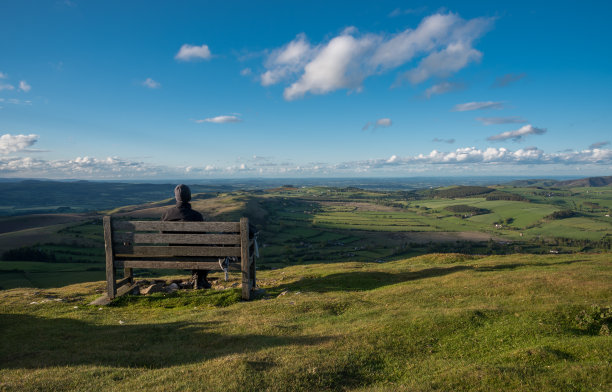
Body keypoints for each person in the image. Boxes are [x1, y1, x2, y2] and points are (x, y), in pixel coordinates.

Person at [161, 184, 210, 289]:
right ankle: (199, 280)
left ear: (176, 197)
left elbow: (162, 234)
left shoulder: (167, 214)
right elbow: (202, 236)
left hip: (174, 252)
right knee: (206, 249)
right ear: (189, 197)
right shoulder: (196, 215)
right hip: (196, 252)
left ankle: (198, 280)